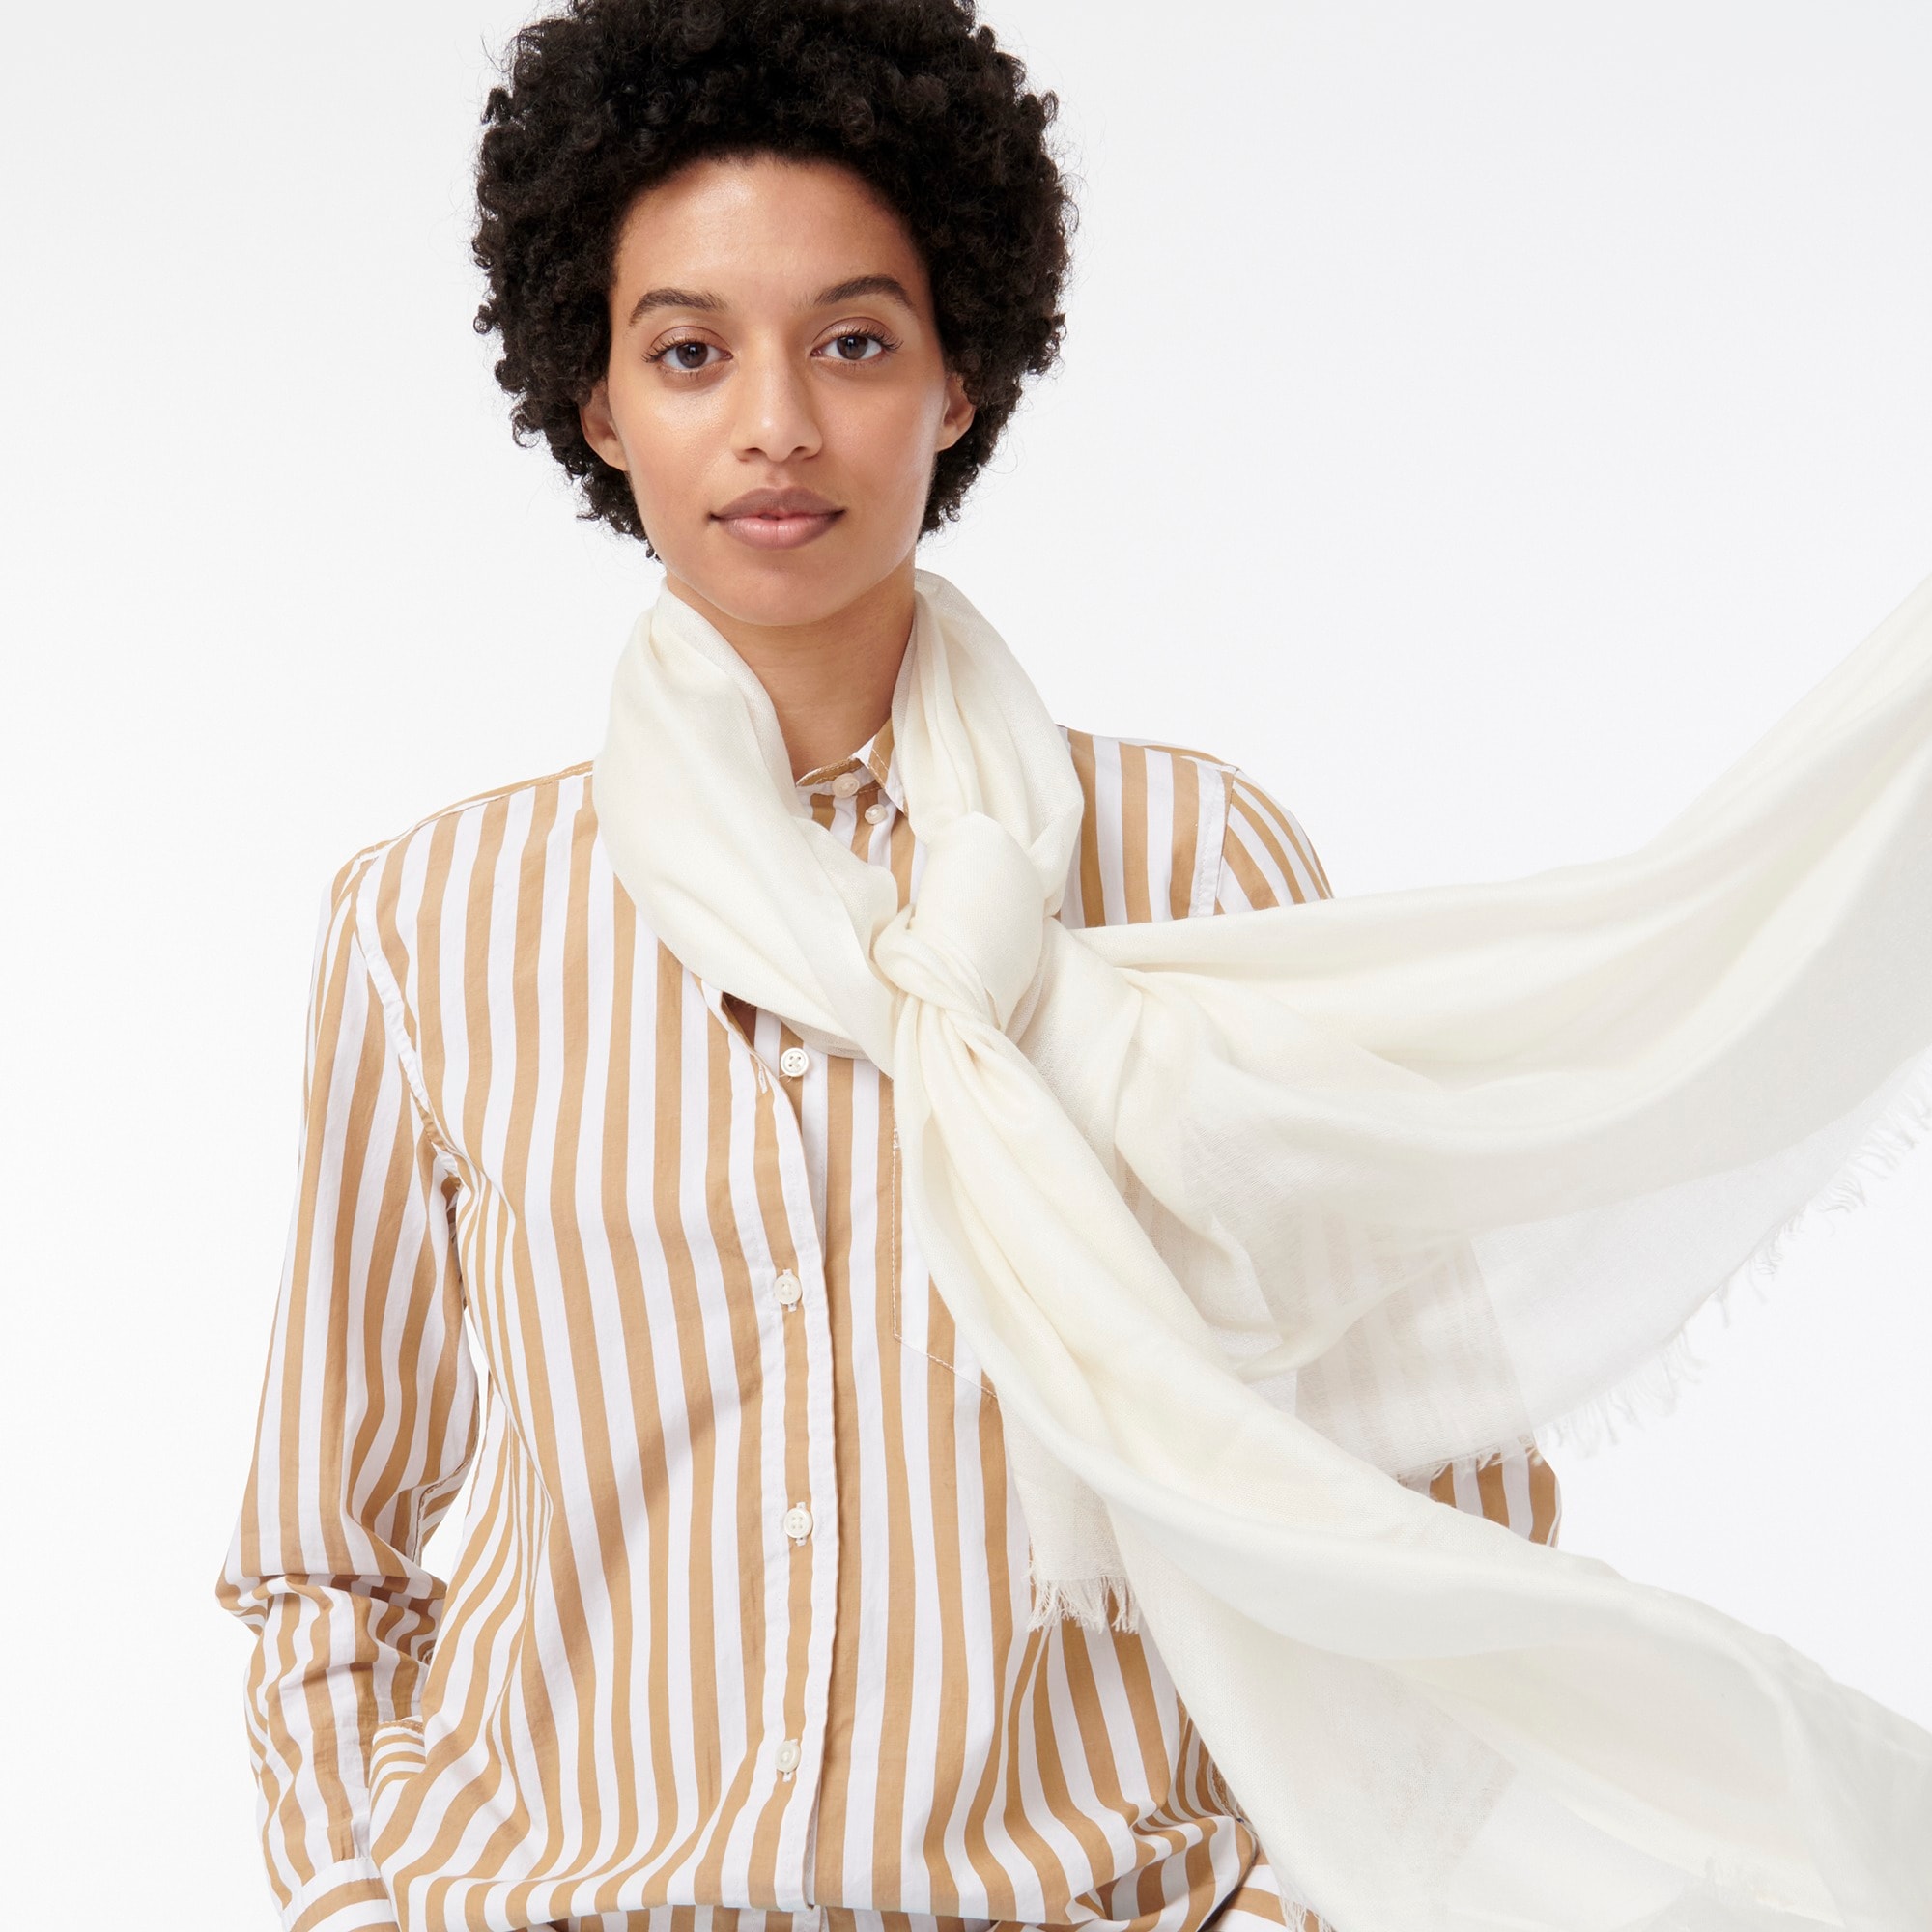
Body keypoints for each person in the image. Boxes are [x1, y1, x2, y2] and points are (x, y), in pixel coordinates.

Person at [215, 3, 1564, 1929]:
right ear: (597, 401)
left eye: (853, 341)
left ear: (958, 377)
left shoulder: (1191, 867)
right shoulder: (435, 921)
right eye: (690, 351)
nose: (775, 422)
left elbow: (1439, 1502)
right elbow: (321, 1563)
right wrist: (354, 1904)